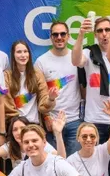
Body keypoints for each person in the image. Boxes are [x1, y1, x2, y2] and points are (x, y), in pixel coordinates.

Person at [72, 11, 110, 174]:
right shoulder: (90, 53)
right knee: (97, 165)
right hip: (95, 119)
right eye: (100, 31)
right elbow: (76, 60)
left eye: (107, 30)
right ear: (95, 34)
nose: (104, 34)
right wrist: (81, 34)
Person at [35, 21, 83, 153]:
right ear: (51, 37)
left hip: (75, 121)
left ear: (68, 36)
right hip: (52, 122)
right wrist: (46, 117)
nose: (59, 37)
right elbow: (39, 94)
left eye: (62, 34)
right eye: (55, 34)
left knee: (74, 165)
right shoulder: (41, 61)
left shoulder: (77, 57)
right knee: (54, 166)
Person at [1, 40, 53, 127]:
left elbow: (43, 102)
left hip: (35, 125)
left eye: (25, 51)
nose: (23, 55)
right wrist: (18, 122)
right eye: (19, 52)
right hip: (16, 125)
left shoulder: (37, 74)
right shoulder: (6, 76)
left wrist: (51, 99)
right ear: (13, 55)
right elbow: (7, 105)